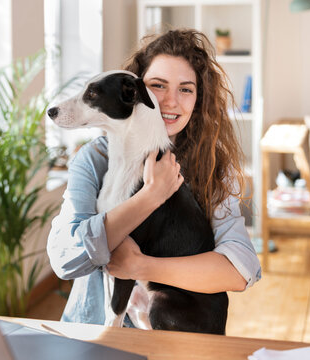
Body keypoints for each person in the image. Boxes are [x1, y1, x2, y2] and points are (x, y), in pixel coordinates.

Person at [46, 29, 261, 327]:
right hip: (95, 330)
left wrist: (141, 266)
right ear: (133, 91)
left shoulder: (213, 166)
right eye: (158, 85)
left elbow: (240, 270)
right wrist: (150, 197)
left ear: (199, 100)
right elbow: (65, 258)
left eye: (186, 89)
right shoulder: (94, 159)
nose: (170, 102)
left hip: (173, 334)